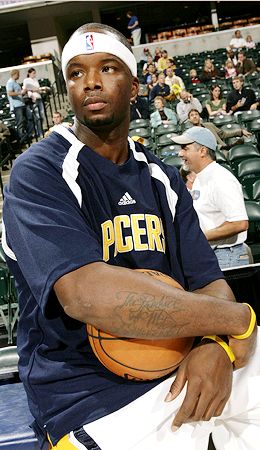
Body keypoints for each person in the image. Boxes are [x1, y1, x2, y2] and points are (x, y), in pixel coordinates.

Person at [2, 22, 260, 450]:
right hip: (89, 394)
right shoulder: (39, 171)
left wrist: (217, 345)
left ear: (136, 85)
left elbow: (209, 281)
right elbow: (87, 295)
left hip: (182, 363)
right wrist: (236, 323)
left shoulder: (162, 178)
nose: (92, 83)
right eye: (77, 73)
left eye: (107, 68)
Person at [172, 127, 250, 269]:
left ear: (203, 151)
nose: (180, 153)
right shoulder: (200, 179)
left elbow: (239, 223)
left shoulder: (220, 179)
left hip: (227, 256)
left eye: (185, 148)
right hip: (212, 253)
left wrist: (198, 237)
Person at [187, 109, 252, 150]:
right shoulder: (191, 134)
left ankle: (229, 147)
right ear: (189, 120)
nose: (194, 116)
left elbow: (223, 134)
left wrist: (241, 131)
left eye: (196, 114)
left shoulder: (209, 125)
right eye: (192, 115)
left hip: (223, 148)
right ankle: (230, 147)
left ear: (199, 117)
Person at [6, 69, 33, 144]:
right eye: (18, 74)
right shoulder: (10, 82)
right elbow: (9, 93)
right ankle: (22, 138)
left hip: (22, 104)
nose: (19, 76)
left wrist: (23, 93)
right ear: (15, 74)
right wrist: (20, 92)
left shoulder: (15, 82)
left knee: (29, 118)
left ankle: (27, 135)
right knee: (20, 122)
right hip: (17, 106)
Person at [23, 68, 45, 138]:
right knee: (37, 116)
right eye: (33, 73)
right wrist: (35, 90)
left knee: (42, 115)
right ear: (29, 73)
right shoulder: (26, 80)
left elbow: (37, 89)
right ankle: (39, 132)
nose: (34, 75)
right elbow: (27, 89)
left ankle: (41, 130)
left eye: (35, 73)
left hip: (39, 98)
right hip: (33, 99)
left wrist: (39, 90)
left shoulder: (35, 80)